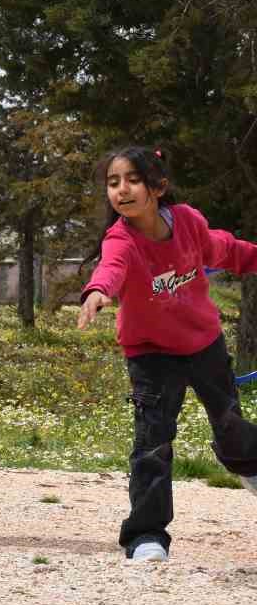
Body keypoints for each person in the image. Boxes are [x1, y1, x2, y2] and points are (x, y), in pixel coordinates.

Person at [76, 147, 257, 562]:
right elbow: (112, 268)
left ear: (158, 187)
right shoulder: (121, 239)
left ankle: (250, 464)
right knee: (152, 443)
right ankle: (146, 536)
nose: (122, 190)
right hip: (150, 354)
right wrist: (98, 292)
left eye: (133, 180)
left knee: (230, 425)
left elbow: (225, 250)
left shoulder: (189, 223)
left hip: (203, 343)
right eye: (113, 182)